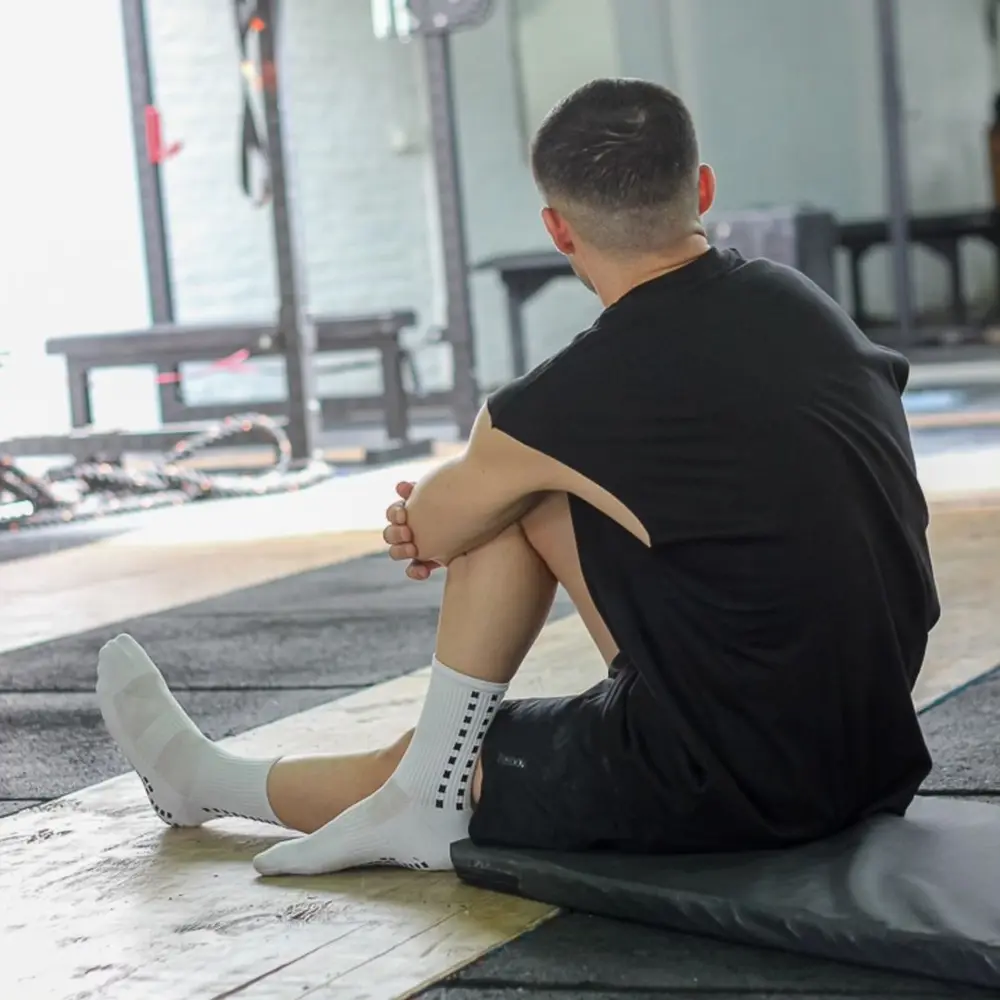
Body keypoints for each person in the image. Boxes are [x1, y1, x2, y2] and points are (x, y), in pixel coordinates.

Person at [96, 78, 938, 877]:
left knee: (452, 743)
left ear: (558, 230)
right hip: (874, 748)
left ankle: (203, 780)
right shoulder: (802, 303)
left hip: (748, 788)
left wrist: (470, 487)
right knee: (525, 488)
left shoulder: (560, 402)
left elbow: (431, 530)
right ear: (704, 189)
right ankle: (431, 784)